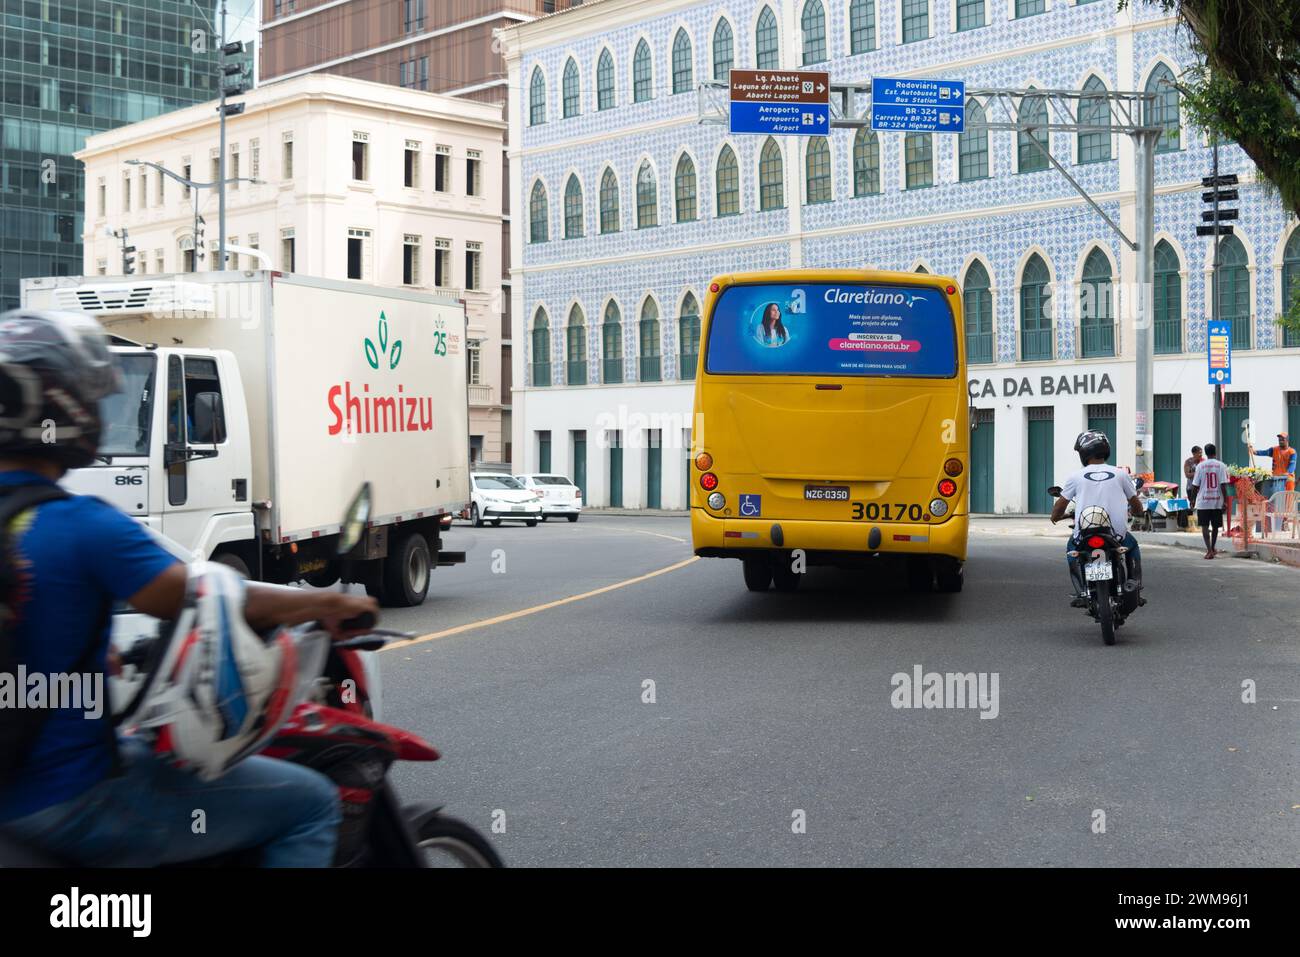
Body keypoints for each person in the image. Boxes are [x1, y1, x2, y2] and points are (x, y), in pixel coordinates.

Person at [0, 309, 378, 867]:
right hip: (69, 800)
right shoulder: (80, 525)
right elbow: (203, 594)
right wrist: (325, 600)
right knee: (310, 804)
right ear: (62, 406)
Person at [1050, 430, 1143, 608]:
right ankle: (1134, 585)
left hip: (1084, 534)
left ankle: (1081, 591)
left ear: (1084, 453)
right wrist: (1138, 510)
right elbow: (1136, 504)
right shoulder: (1121, 474)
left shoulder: (1075, 477)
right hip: (1116, 535)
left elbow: (1060, 505)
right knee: (1133, 546)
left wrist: (1055, 517)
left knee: (1071, 550)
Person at [1190, 442, 1232, 558]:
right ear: (1215, 452)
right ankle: (1213, 547)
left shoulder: (1200, 466)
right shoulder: (1222, 466)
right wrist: (1225, 501)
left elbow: (1195, 486)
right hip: (1217, 501)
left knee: (1204, 526)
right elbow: (1224, 485)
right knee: (1215, 527)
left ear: (1206, 453)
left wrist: (1192, 500)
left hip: (1203, 501)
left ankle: (1208, 550)